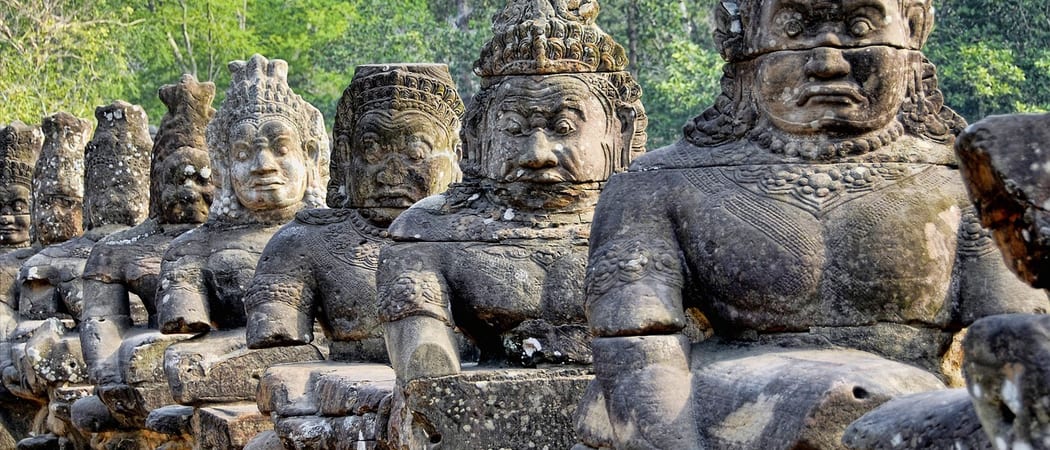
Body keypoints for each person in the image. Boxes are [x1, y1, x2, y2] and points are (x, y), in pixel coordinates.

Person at [578, 0, 1050, 447]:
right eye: (794, 27)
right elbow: (638, 351)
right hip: (712, 418)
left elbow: (1018, 344)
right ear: (741, 40)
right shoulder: (656, 186)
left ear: (914, 27)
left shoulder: (960, 186)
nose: (827, 63)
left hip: (911, 412)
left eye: (860, 26)